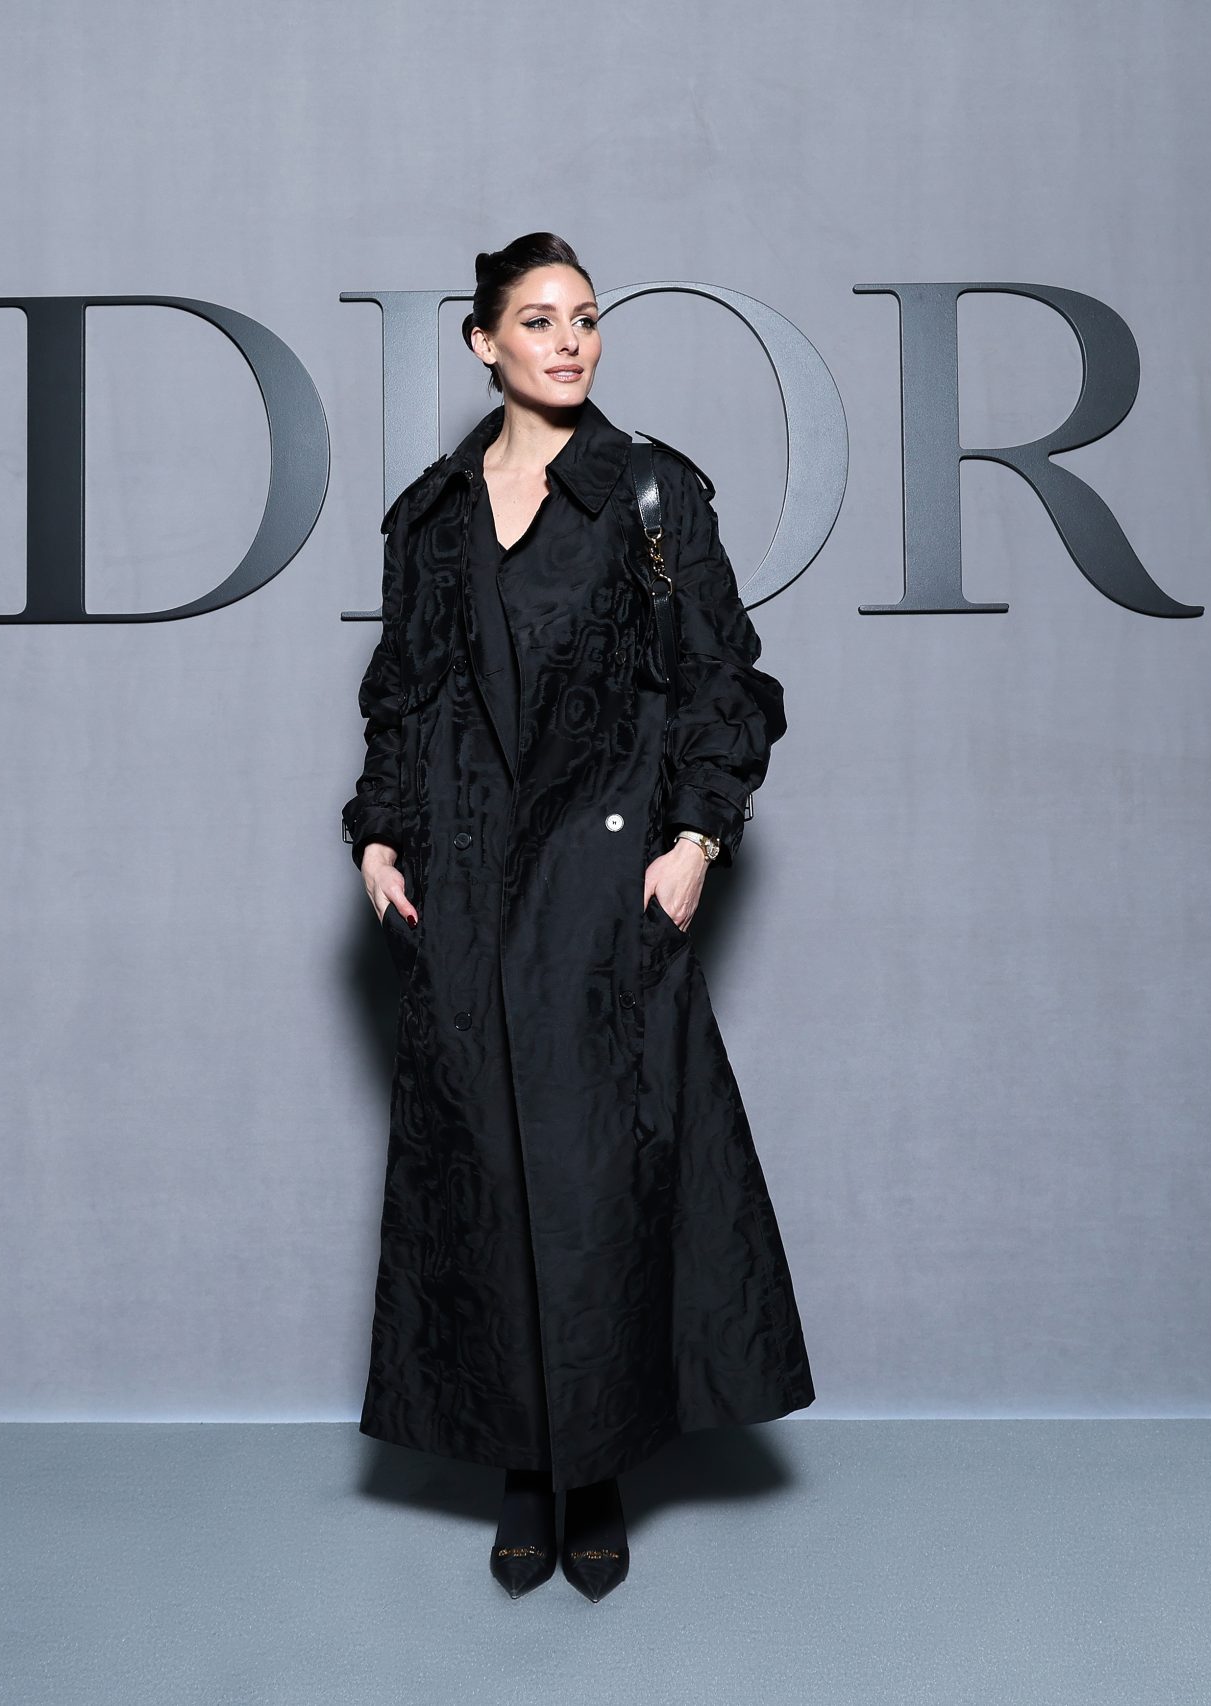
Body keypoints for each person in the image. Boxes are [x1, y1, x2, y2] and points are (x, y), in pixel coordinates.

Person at [341, 232, 814, 1601]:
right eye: (540, 320)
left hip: (605, 882)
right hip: (463, 881)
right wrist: (379, 834)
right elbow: (405, 693)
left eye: (587, 318)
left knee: (602, 1175)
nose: (570, 342)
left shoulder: (650, 490)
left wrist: (695, 841)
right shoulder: (431, 516)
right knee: (486, 1171)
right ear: (482, 342)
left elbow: (725, 682)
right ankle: (519, 1460)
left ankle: (594, 1466)